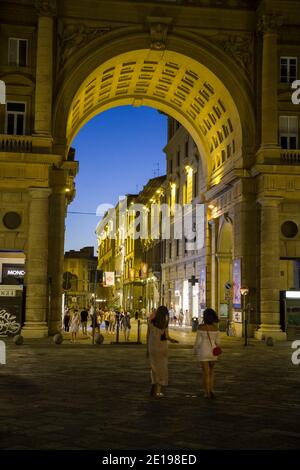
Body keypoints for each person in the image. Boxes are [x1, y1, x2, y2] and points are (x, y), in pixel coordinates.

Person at [146, 305, 178, 398]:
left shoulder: (150, 322)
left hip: (152, 347)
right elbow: (167, 336)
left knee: (154, 367)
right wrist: (173, 340)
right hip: (162, 347)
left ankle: (154, 383)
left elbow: (147, 336)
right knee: (162, 368)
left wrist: (147, 349)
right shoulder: (164, 324)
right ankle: (158, 390)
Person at [193, 308, 221, 399]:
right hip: (213, 352)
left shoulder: (201, 327)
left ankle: (207, 392)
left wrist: (195, 351)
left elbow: (198, 342)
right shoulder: (215, 328)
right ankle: (211, 390)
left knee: (206, 373)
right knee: (211, 372)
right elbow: (218, 342)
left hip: (204, 351)